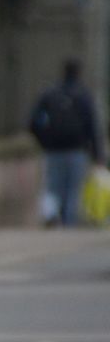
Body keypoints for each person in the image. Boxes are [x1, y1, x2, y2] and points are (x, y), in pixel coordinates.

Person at [29, 59, 105, 227]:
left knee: (52, 186)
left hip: (53, 149)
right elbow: (92, 126)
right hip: (76, 150)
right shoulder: (83, 95)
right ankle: (68, 225)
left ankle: (51, 215)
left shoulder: (49, 94)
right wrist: (98, 155)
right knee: (73, 190)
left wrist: (44, 141)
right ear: (78, 73)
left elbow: (33, 122)